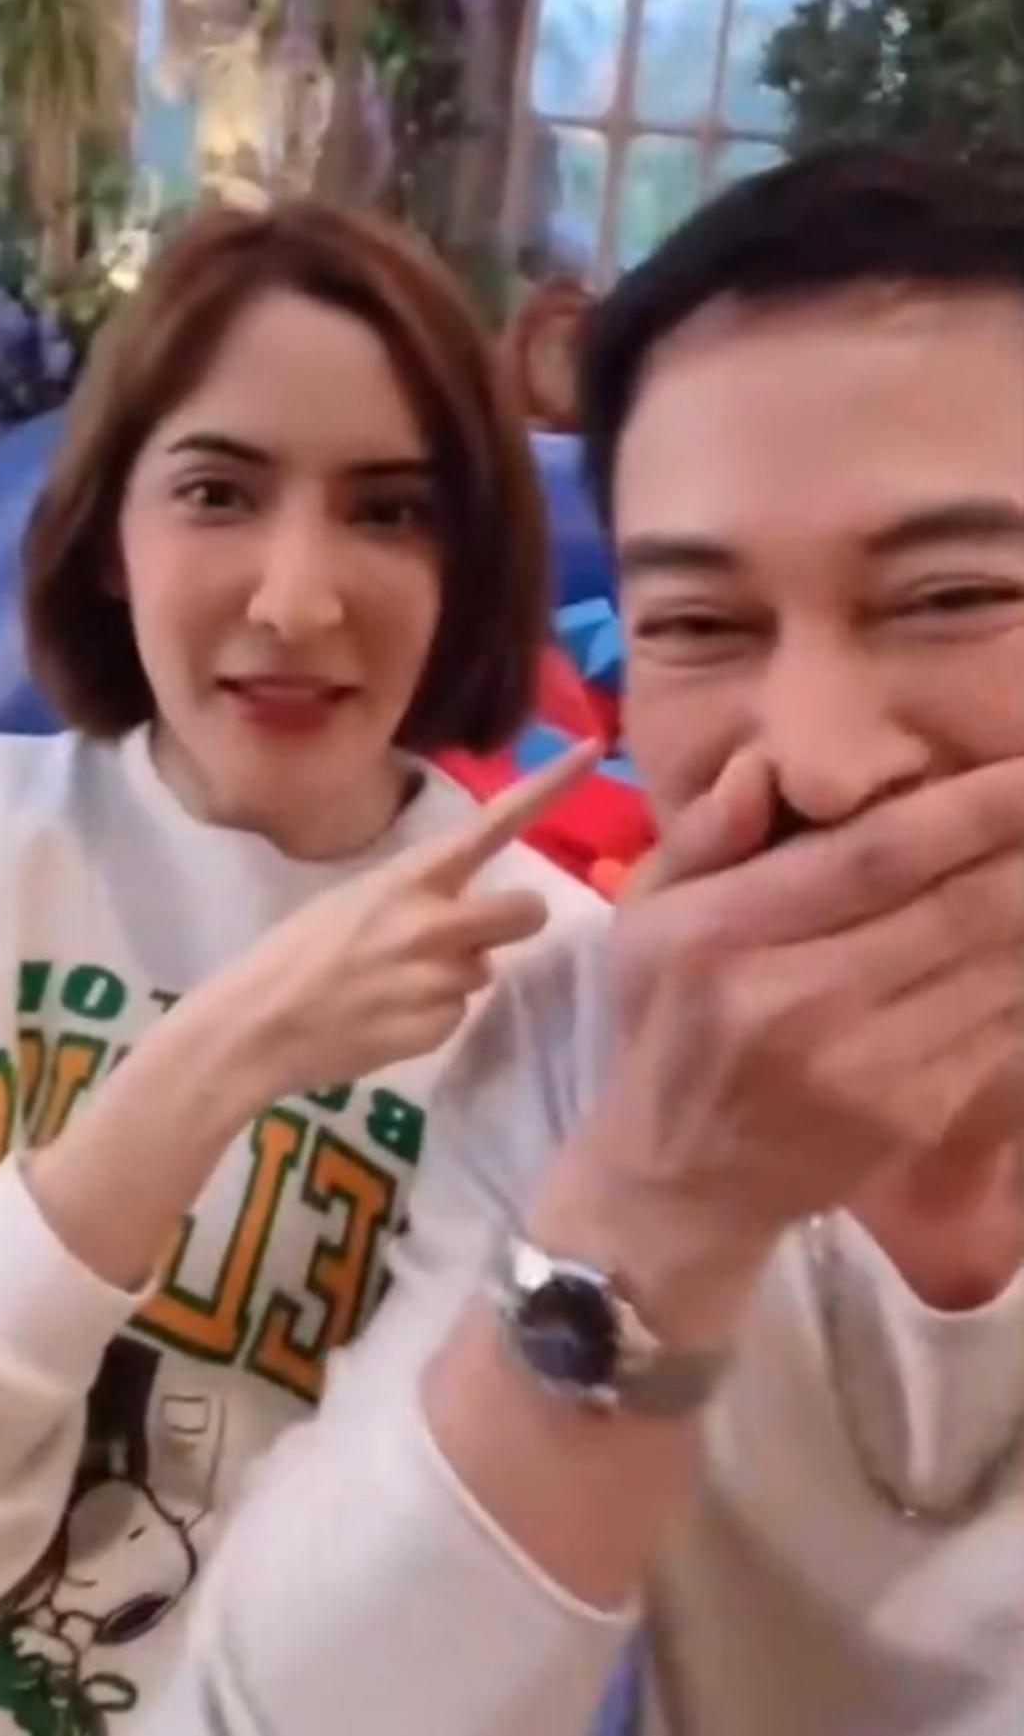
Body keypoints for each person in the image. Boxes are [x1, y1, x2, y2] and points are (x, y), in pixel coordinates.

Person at [179, 145, 1024, 1736]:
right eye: (701, 624)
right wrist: (659, 1205)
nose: (821, 759)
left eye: (952, 595)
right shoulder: (586, 1044)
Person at [0, 198, 601, 1736]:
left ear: (469, 561)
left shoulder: (555, 981)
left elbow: (463, 1634)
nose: (296, 599)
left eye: (389, 510)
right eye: (218, 491)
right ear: (110, 534)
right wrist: (219, 1059)